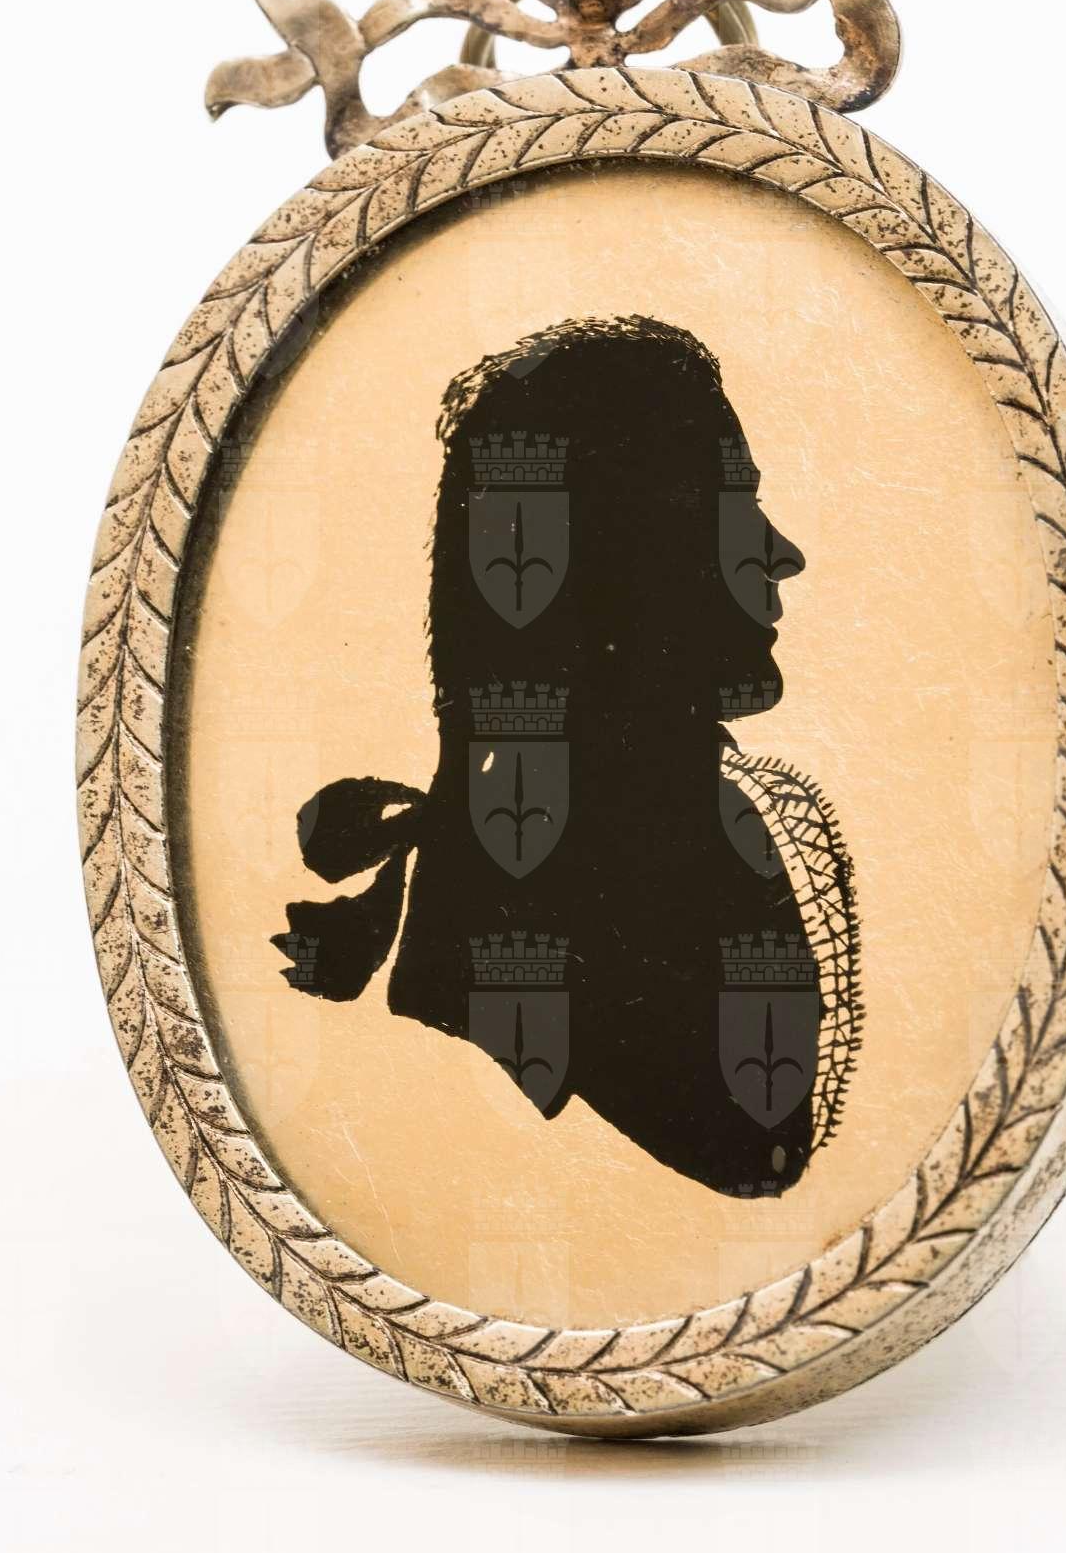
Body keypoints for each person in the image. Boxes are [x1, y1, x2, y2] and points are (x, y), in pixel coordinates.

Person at [274, 316, 859, 1196]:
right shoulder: (499, 925)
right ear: (632, 563)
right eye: (731, 503)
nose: (782, 554)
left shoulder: (752, 819)